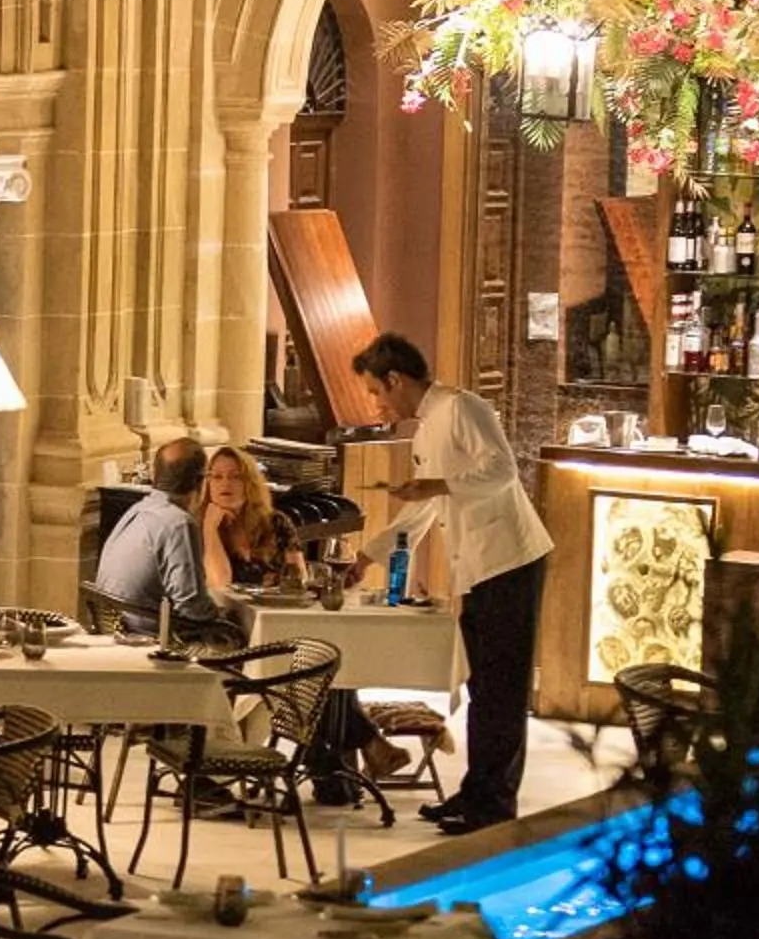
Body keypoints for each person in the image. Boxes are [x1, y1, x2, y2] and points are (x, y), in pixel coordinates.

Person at [352, 331, 554, 833]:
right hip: (478, 568)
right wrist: (367, 556)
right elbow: (424, 509)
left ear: (395, 380)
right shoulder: (425, 430)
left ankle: (494, 807)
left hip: (510, 560)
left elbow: (502, 471)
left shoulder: (464, 408)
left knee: (502, 691)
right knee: (484, 686)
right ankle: (475, 792)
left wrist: (437, 484)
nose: (375, 404)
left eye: (375, 391)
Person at [199, 441, 408, 787]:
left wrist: (291, 583)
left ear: (250, 483)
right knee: (320, 666)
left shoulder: (276, 523)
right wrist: (210, 529)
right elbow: (221, 583)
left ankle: (334, 769)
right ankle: (356, 752)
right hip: (237, 634)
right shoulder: (202, 527)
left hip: (282, 625)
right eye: (216, 477)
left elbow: (299, 579)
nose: (225, 484)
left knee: (329, 655)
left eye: (235, 476)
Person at [91, 436, 234, 644]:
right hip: (153, 640)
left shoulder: (138, 510)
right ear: (200, 481)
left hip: (114, 629)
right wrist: (225, 616)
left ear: (156, 474)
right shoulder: (179, 523)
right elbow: (191, 605)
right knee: (238, 639)